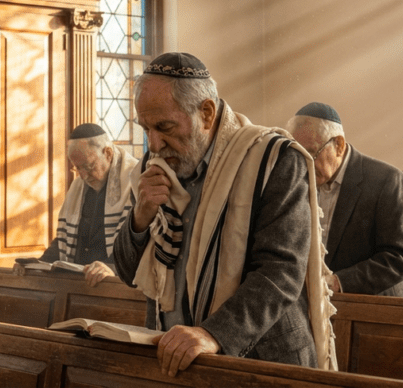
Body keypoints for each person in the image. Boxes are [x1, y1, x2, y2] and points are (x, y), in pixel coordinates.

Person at [113, 52, 336, 377]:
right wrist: (140, 215)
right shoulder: (154, 166)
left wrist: (212, 333)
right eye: (145, 128)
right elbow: (125, 270)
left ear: (206, 112)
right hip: (176, 356)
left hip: (260, 361)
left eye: (164, 126)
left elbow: (281, 271)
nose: (154, 143)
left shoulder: (273, 159)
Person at [285, 102, 403, 297]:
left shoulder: (386, 180)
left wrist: (338, 282)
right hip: (316, 304)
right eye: (297, 155)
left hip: (376, 306)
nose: (304, 165)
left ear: (339, 145)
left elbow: (399, 258)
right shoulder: (297, 182)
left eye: (312, 153)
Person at [33, 123, 139, 287]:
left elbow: (140, 240)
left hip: (115, 283)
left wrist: (112, 267)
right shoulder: (78, 187)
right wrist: (37, 265)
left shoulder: (136, 181)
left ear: (108, 153)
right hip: (79, 283)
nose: (83, 176)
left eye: (88, 166)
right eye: (78, 168)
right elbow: (63, 240)